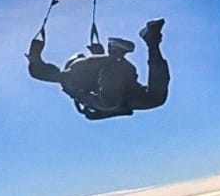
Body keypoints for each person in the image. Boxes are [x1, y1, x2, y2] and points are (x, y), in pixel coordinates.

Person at [27, 18, 169, 120]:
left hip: (119, 89)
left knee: (113, 98)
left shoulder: (72, 77)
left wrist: (35, 57)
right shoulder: (75, 76)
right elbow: (41, 73)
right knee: (155, 98)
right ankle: (151, 40)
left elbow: (40, 73)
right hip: (122, 91)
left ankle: (133, 46)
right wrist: (35, 56)